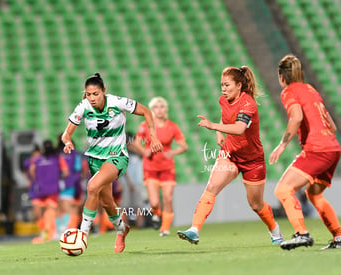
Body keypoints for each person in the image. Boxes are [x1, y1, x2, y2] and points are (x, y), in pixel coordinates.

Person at [177, 66, 283, 245]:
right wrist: (219, 132)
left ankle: (275, 230)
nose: (223, 89)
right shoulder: (223, 100)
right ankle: (194, 230)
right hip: (230, 154)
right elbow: (225, 116)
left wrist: (213, 127)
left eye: (227, 85)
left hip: (252, 160)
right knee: (211, 187)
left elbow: (240, 128)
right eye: (221, 85)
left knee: (256, 205)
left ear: (239, 85)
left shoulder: (248, 103)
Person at [61, 73, 163, 253]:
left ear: (104, 92)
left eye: (96, 94)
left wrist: (153, 137)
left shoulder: (117, 102)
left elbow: (147, 112)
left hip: (117, 156)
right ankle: (122, 230)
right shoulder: (83, 107)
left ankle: (82, 235)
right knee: (107, 202)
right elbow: (66, 134)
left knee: (92, 187)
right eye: (88, 94)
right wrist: (68, 141)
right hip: (95, 159)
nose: (92, 98)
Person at [269, 54, 341, 250]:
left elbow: (297, 116)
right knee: (314, 193)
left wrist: (282, 144)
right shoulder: (311, 90)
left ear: (281, 77)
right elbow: (332, 126)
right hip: (333, 148)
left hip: (318, 149)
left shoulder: (289, 92)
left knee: (283, 190)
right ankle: (339, 238)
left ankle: (302, 234)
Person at [135, 97, 188, 236]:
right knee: (154, 203)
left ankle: (164, 229)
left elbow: (184, 146)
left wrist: (173, 152)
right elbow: (136, 143)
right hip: (150, 167)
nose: (159, 110)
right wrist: (143, 151)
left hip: (167, 167)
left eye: (162, 107)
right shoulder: (145, 125)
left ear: (166, 109)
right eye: (156, 107)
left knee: (168, 198)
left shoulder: (172, 126)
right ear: (152, 110)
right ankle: (156, 213)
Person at [29, 140, 69, 243]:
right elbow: (65, 172)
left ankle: (48, 232)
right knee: (46, 211)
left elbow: (32, 171)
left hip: (46, 189)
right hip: (47, 189)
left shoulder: (41, 159)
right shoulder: (52, 158)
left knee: (47, 210)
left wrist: (39, 180)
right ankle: (47, 231)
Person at [56, 135, 83, 235]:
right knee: (62, 207)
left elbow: (77, 171)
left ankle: (70, 230)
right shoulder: (72, 154)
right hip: (66, 185)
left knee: (66, 207)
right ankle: (62, 230)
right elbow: (78, 170)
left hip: (66, 185)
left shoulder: (70, 154)